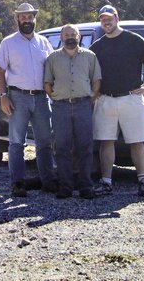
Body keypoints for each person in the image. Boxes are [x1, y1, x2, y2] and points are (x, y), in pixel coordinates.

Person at [90, 5, 144, 198]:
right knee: (106, 142)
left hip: (132, 98)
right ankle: (106, 182)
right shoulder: (97, 46)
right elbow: (89, 72)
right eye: (103, 19)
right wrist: (93, 94)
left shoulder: (134, 40)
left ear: (117, 18)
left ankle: (143, 180)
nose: (106, 22)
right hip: (106, 100)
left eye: (109, 18)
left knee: (137, 142)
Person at [0, 2, 56, 197]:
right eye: (22, 17)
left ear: (34, 19)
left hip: (40, 98)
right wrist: (3, 96)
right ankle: (18, 183)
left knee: (45, 141)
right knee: (16, 142)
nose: (26, 20)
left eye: (29, 17)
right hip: (17, 97)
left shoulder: (44, 43)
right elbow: (0, 71)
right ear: (17, 19)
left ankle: (47, 181)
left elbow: (52, 69)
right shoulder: (8, 43)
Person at [44, 24, 101, 199]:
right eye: (66, 34)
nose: (70, 37)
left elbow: (96, 80)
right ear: (61, 38)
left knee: (85, 147)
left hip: (83, 106)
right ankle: (65, 187)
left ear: (79, 37)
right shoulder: (52, 58)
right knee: (61, 148)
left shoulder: (90, 56)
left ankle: (85, 186)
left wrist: (90, 99)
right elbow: (47, 83)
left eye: (73, 34)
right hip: (60, 107)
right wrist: (57, 98)